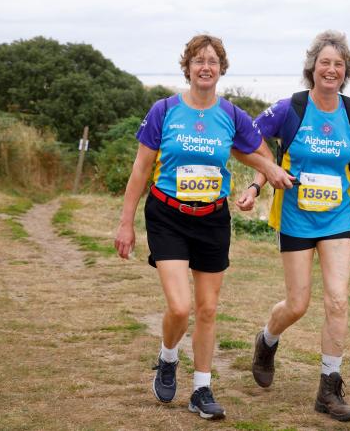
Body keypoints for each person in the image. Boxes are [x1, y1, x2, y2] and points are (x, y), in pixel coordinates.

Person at [113, 34, 291, 421]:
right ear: (188, 67)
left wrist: (258, 180)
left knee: (208, 310)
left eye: (212, 61)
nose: (205, 66)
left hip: (212, 219)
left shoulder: (231, 114)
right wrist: (126, 223)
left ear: (221, 69)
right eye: (198, 60)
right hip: (167, 215)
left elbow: (257, 152)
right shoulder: (164, 110)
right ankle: (168, 356)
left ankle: (202, 389)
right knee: (180, 307)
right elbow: (141, 169)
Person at [246, 30, 350, 423]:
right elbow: (248, 136)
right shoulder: (291, 108)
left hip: (337, 217)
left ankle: (329, 388)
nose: (332, 70)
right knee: (298, 304)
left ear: (346, 71)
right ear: (312, 68)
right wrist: (264, 176)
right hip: (296, 216)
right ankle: (267, 340)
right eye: (325, 63)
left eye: (339, 64)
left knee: (338, 300)